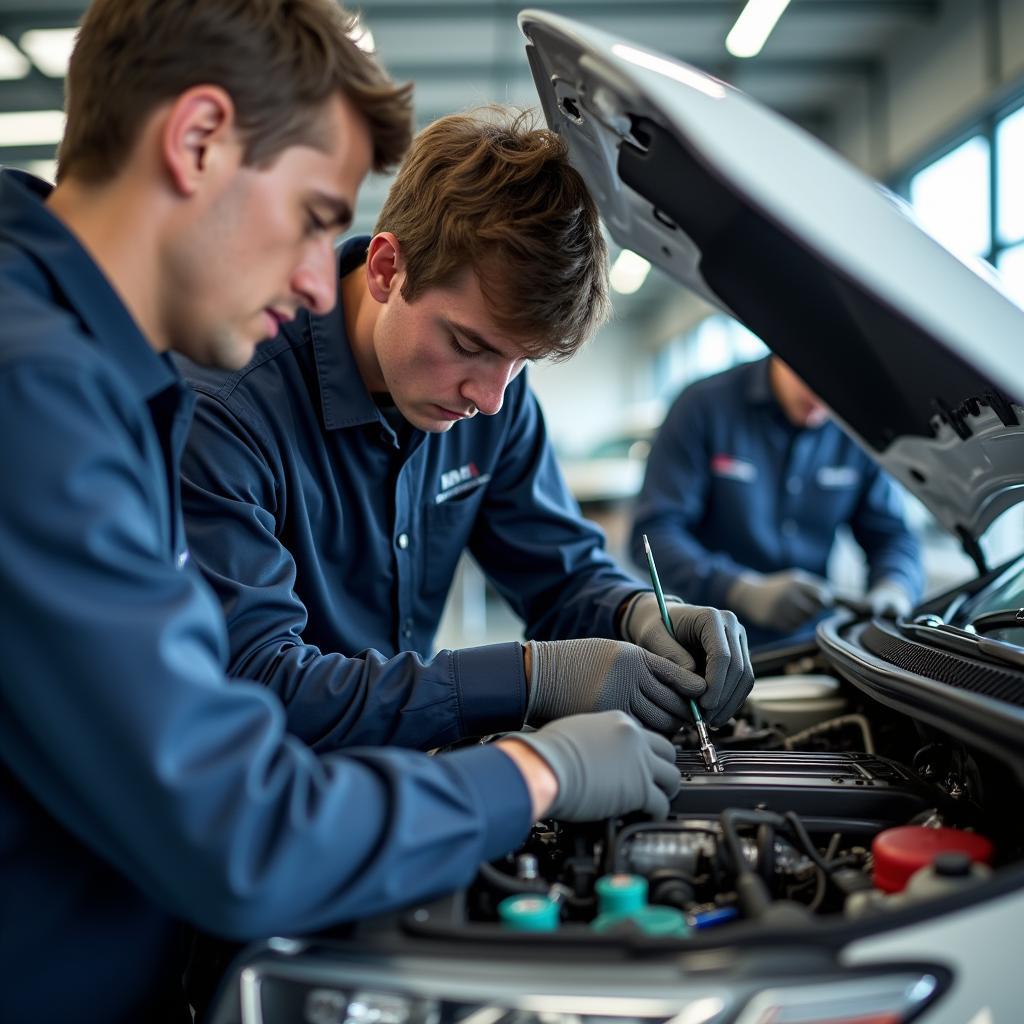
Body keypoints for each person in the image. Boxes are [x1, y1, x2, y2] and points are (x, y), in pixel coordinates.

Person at [0, 4, 684, 1021]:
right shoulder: (44, 392)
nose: (328, 277)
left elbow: (187, 749)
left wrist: (631, 616)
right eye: (320, 216)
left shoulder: (95, 369)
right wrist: (531, 767)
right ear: (195, 141)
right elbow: (238, 821)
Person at [177, 108, 755, 763]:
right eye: (468, 344)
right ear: (388, 269)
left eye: (520, 363)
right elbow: (262, 685)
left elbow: (558, 573)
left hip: (402, 779)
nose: (490, 398)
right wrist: (529, 678)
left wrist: (639, 614)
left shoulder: (495, 397)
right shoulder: (228, 404)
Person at [631, 354, 924, 648]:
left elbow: (892, 536)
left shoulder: (855, 426)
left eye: (837, 387)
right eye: (812, 378)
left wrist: (895, 585)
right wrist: (737, 588)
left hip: (813, 644)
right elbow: (655, 533)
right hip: (707, 642)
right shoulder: (702, 407)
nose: (823, 398)